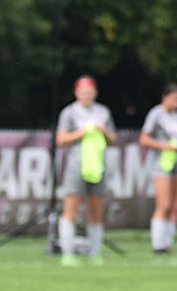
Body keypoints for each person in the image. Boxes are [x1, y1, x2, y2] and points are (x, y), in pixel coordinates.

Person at [55, 75, 117, 266]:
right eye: (83, 91)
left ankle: (95, 253)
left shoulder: (103, 112)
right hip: (76, 166)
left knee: (96, 210)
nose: (87, 95)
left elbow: (112, 139)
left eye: (90, 91)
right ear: (77, 93)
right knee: (71, 208)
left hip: (98, 166)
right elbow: (61, 139)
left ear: (95, 93)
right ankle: (67, 253)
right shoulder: (69, 112)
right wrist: (83, 131)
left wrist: (103, 131)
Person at [140, 84, 177, 254]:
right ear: (165, 97)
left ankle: (167, 241)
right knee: (164, 204)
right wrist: (165, 146)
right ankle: (157, 244)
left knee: (174, 206)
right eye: (174, 98)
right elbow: (144, 139)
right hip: (161, 164)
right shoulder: (156, 114)